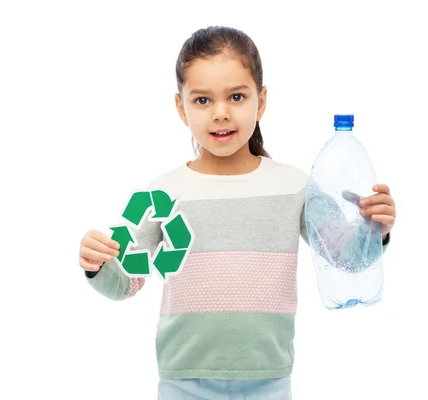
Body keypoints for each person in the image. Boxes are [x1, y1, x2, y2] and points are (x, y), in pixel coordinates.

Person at [78, 26, 397, 400]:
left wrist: (373, 227)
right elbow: (124, 282)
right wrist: (96, 264)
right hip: (183, 381)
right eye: (202, 101)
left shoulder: (295, 186)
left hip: (269, 380)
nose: (221, 113)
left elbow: (346, 255)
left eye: (236, 96)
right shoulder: (159, 193)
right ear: (181, 107)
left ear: (261, 101)